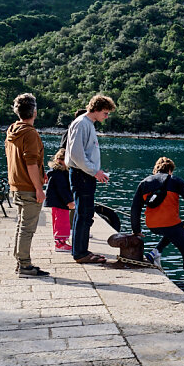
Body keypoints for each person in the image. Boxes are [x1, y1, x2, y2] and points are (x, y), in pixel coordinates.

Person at [130, 156, 184, 296]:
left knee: (175, 229)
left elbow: (135, 208)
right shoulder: (175, 180)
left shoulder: (144, 183)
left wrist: (136, 230)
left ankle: (155, 252)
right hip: (170, 224)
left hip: (152, 225)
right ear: (170, 170)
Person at [66, 94, 115, 264]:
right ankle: (80, 253)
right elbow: (76, 154)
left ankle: (82, 250)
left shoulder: (88, 124)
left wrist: (95, 171)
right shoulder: (81, 124)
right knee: (83, 213)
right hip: (82, 176)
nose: (106, 116)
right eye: (105, 113)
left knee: (86, 214)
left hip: (85, 175)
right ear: (97, 109)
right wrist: (95, 172)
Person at [5, 93, 49, 277]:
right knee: (27, 228)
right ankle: (24, 265)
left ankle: (20, 261)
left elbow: (26, 161)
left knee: (21, 225)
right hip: (29, 187)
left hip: (16, 185)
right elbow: (30, 162)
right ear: (35, 112)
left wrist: (41, 172)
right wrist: (39, 188)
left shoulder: (12, 130)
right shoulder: (30, 133)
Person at [43, 148, 75, 253]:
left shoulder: (57, 172)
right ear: (59, 160)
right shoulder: (58, 174)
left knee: (59, 221)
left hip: (58, 202)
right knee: (62, 223)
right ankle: (60, 244)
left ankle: (61, 242)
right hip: (60, 202)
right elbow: (62, 189)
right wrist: (69, 201)